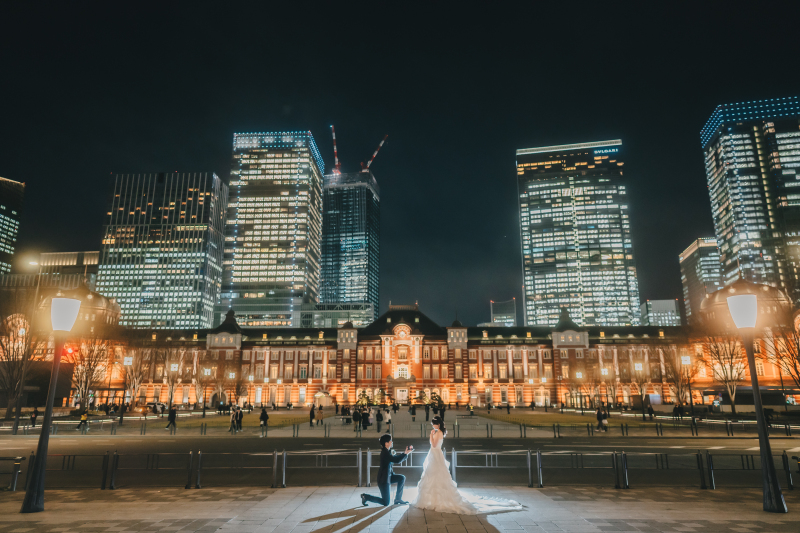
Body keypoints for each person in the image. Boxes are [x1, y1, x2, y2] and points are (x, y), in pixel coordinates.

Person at [412, 416, 521, 513]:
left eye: (433, 424)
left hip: (435, 454)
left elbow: (434, 444)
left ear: (438, 424)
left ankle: (434, 500)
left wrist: (430, 435)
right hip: (436, 455)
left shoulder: (437, 432)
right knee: (435, 475)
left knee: (433, 474)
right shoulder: (440, 432)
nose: (432, 425)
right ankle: (435, 499)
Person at [361, 434, 411, 506]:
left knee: (402, 478)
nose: (392, 442)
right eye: (390, 440)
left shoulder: (387, 451)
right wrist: (405, 453)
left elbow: (395, 458)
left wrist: (405, 453)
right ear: (386, 443)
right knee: (386, 502)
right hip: (383, 480)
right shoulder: (385, 453)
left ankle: (398, 499)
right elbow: (396, 460)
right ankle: (365, 497)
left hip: (389, 477)